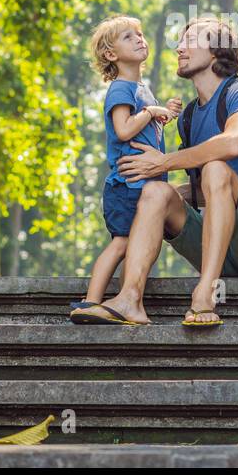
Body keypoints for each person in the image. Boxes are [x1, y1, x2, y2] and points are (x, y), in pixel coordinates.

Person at [71, 17, 238, 327]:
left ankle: (205, 296)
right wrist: (154, 200)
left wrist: (163, 162)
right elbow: (209, 193)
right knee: (155, 192)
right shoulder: (188, 117)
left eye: (191, 41)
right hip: (222, 252)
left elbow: (234, 142)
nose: (179, 48)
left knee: (215, 167)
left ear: (216, 51)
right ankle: (130, 300)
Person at [69, 16, 179, 323]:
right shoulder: (120, 89)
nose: (139, 39)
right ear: (111, 54)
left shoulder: (140, 89)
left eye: (140, 34)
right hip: (127, 186)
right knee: (121, 243)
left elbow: (145, 131)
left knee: (131, 244)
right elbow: (124, 130)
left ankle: (119, 300)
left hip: (142, 186)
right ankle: (91, 301)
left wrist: (164, 113)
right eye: (129, 37)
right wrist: (151, 111)